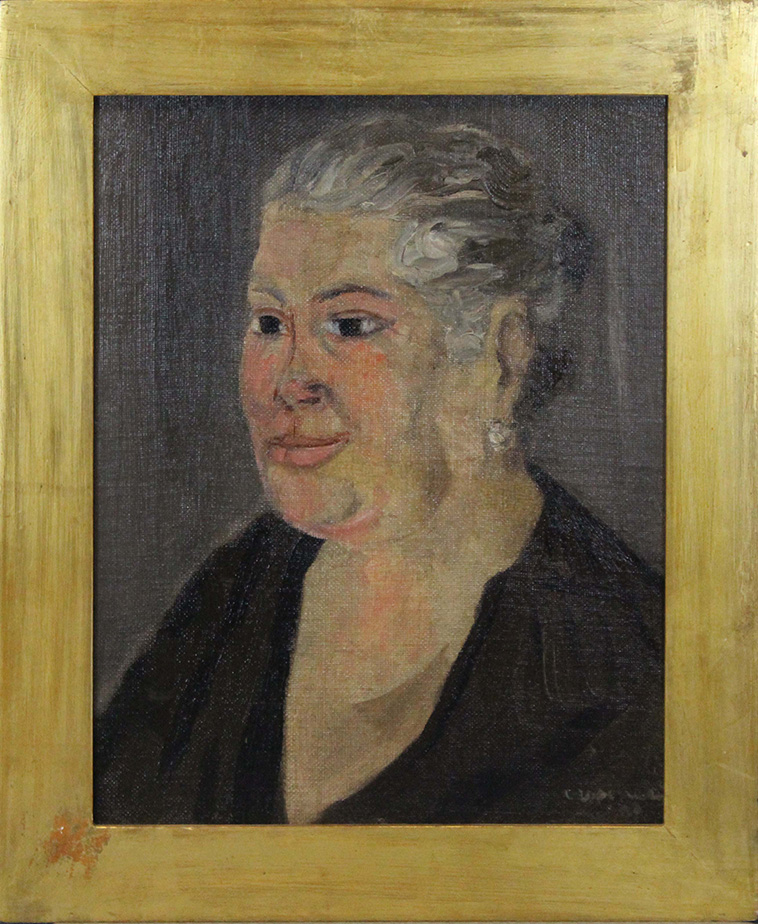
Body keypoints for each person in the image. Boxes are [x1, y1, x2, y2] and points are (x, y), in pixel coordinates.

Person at [95, 116, 663, 825]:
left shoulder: (623, 664)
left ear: (501, 354)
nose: (287, 381)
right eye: (268, 323)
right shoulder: (235, 595)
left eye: (351, 325)